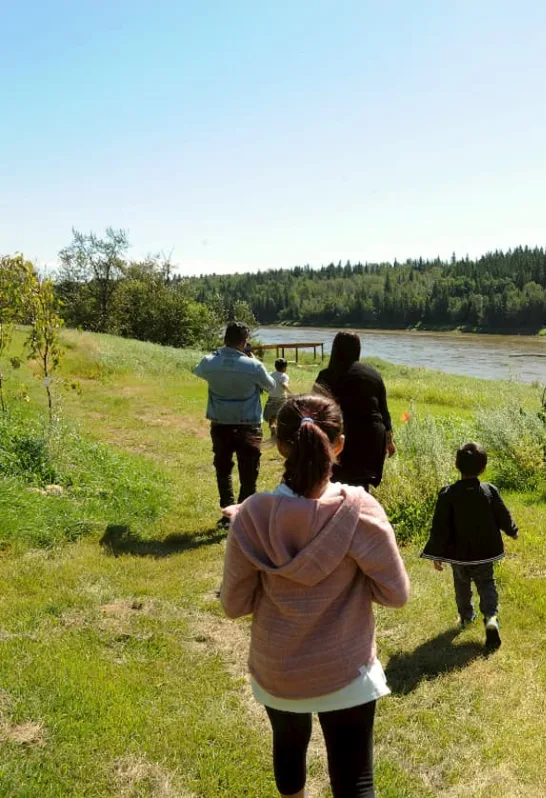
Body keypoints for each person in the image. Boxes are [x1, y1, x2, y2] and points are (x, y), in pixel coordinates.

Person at [220, 394, 410, 798]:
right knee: (355, 777)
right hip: (347, 670)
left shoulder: (251, 515)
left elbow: (233, 605)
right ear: (339, 444)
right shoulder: (360, 510)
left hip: (278, 671)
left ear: (280, 444)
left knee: (288, 750)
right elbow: (396, 593)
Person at [421, 442, 518, 650]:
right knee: (486, 584)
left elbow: (440, 526)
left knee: (461, 585)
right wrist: (512, 530)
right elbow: (503, 515)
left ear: (457, 465)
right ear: (483, 468)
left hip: (459, 556)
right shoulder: (489, 490)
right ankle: (491, 618)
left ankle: (466, 617)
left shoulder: (447, 494)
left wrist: (436, 553)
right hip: (484, 553)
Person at [194, 322, 276, 527]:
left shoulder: (209, 362)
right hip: (248, 424)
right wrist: (254, 359)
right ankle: (244, 515)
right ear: (244, 342)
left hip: (220, 422)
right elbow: (272, 387)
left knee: (223, 468)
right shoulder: (253, 366)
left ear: (225, 340)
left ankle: (227, 512)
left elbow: (198, 371)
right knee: (249, 472)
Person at [314, 332, 395, 491]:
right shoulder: (373, 374)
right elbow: (383, 412)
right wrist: (389, 441)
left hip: (342, 437)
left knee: (336, 486)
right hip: (371, 438)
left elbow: (316, 410)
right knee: (361, 486)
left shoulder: (327, 375)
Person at [264, 358, 291, 437]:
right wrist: (291, 393)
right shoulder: (284, 376)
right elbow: (284, 385)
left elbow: (266, 385)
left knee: (271, 417)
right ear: (284, 367)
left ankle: (273, 427)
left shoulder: (271, 374)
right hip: (281, 399)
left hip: (271, 398)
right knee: (280, 416)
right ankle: (280, 431)